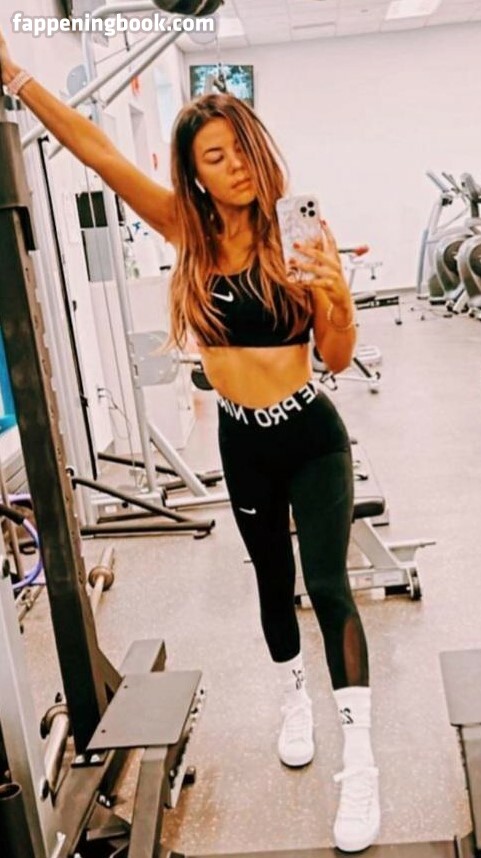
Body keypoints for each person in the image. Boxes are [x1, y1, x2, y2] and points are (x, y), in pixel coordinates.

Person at [0, 27, 380, 852]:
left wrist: (338, 298)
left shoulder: (296, 234)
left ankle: (360, 761)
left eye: (239, 148)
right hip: (243, 444)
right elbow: (99, 151)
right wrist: (16, 75)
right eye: (214, 156)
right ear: (194, 173)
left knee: (327, 585)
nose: (234, 165)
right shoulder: (186, 231)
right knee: (271, 584)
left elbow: (335, 356)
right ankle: (293, 698)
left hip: (311, 437)